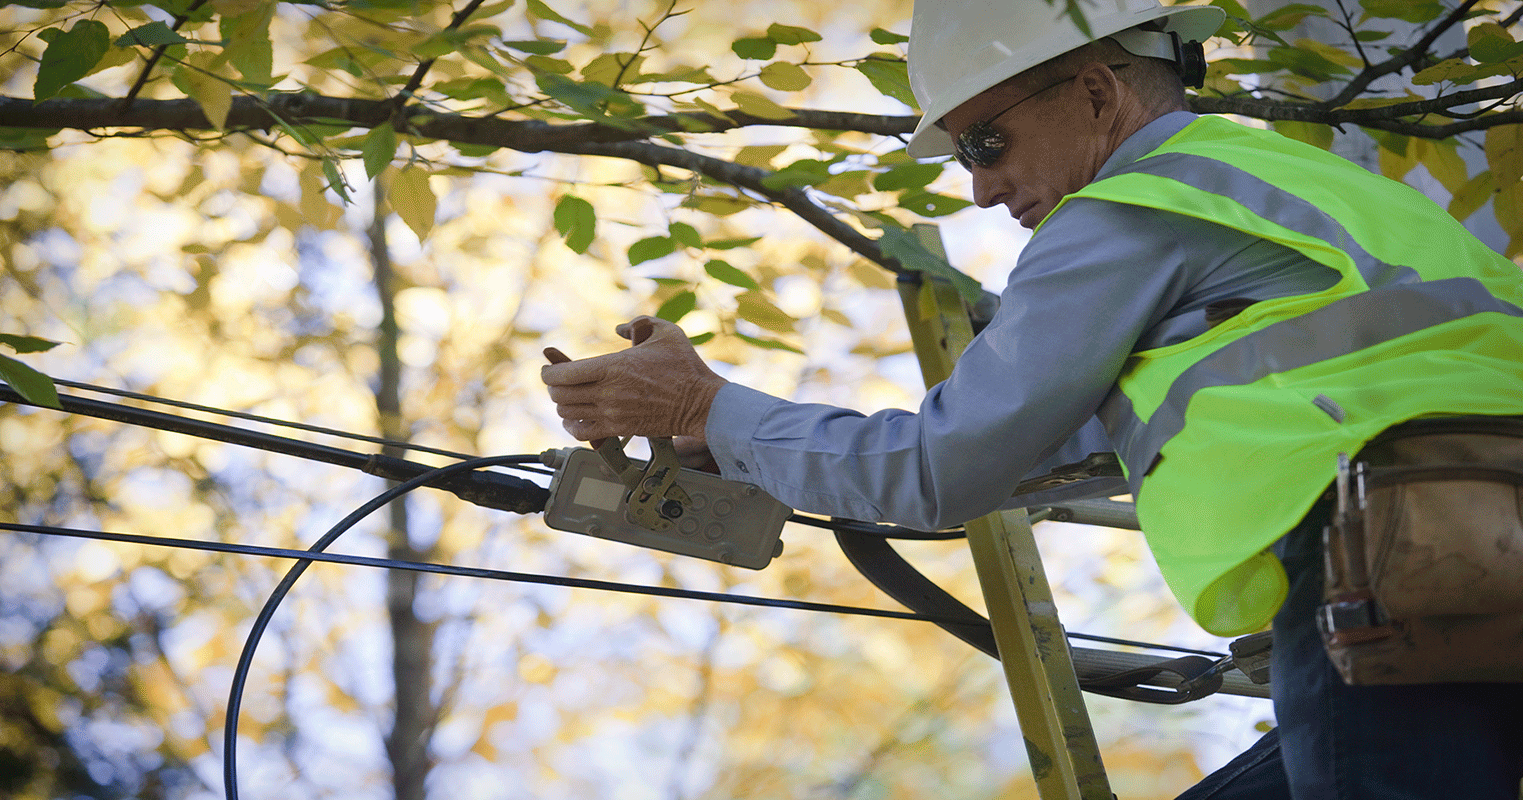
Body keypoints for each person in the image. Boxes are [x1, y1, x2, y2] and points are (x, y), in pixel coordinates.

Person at [541, 1, 1523, 797]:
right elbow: (1067, 442)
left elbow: (937, 466)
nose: (978, 187)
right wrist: (735, 443)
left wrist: (701, 408)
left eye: (985, 140)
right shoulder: (1312, 185)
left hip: (1389, 573)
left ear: (1095, 90)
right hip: (1477, 552)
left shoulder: (1129, 210)